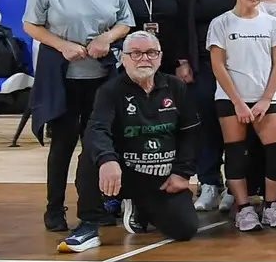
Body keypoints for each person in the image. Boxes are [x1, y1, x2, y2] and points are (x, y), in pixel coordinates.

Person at [25, 0, 134, 250]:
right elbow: (31, 24)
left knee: (96, 144)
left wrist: (106, 38)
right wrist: (63, 46)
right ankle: (54, 209)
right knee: (63, 143)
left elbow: (125, 21)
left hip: (102, 75)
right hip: (64, 75)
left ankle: (93, 208)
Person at [84, 30, 200, 243]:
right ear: (123, 58)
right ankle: (88, 221)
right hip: (125, 174)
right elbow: (97, 129)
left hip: (163, 176)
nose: (144, 58)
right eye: (136, 53)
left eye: (151, 53)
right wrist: (107, 160)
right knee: (91, 155)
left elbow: (191, 133)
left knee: (185, 229)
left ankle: (142, 206)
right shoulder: (110, 91)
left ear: (160, 57)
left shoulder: (176, 87)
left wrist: (182, 172)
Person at [207, 0, 276, 232]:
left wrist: (266, 99)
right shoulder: (220, 23)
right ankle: (244, 208)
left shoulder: (272, 24)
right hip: (231, 100)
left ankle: (271, 205)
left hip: (265, 99)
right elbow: (218, 65)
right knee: (236, 155)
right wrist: (238, 103)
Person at [176, 0, 245, 212]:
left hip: (241, 66)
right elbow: (180, 25)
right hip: (203, 65)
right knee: (205, 125)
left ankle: (235, 184)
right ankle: (208, 182)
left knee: (236, 126)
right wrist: (182, 61)